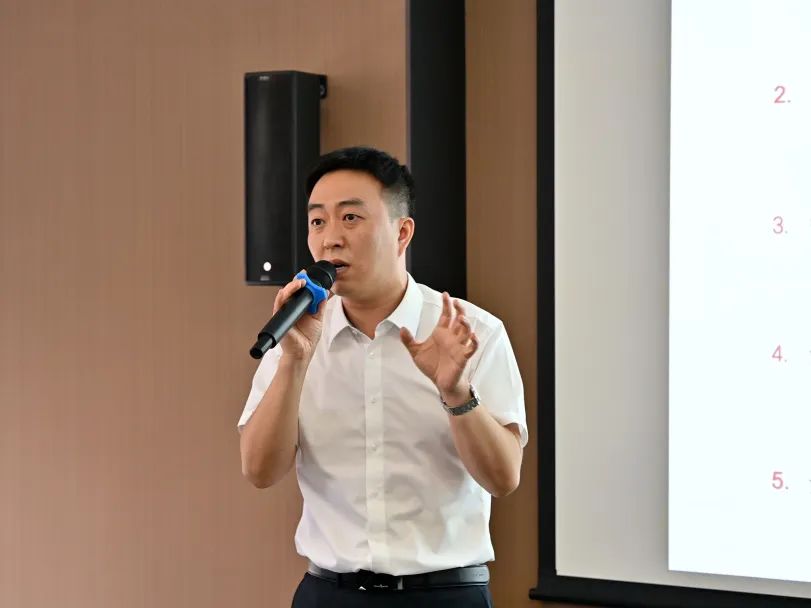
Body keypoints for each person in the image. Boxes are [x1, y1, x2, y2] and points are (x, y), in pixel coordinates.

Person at [237, 146, 528, 608]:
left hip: (444, 594)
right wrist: (294, 360)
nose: (330, 239)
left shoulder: (471, 332)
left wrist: (456, 394)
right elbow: (259, 470)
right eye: (318, 221)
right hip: (328, 594)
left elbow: (503, 477)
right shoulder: (297, 334)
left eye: (350, 218)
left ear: (402, 232)